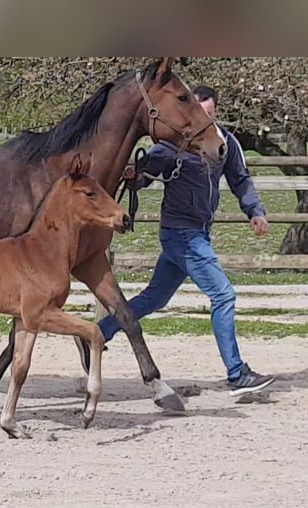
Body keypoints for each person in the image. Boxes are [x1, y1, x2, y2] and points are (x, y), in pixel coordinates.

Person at [99, 85, 275, 396]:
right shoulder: (175, 144)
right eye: (197, 112)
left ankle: (98, 334)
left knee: (155, 298)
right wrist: (134, 176)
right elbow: (145, 175)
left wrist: (255, 212)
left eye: (207, 113)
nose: (200, 120)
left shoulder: (225, 143)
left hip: (196, 232)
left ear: (215, 111)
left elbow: (240, 179)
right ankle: (236, 373)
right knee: (223, 295)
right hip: (182, 234)